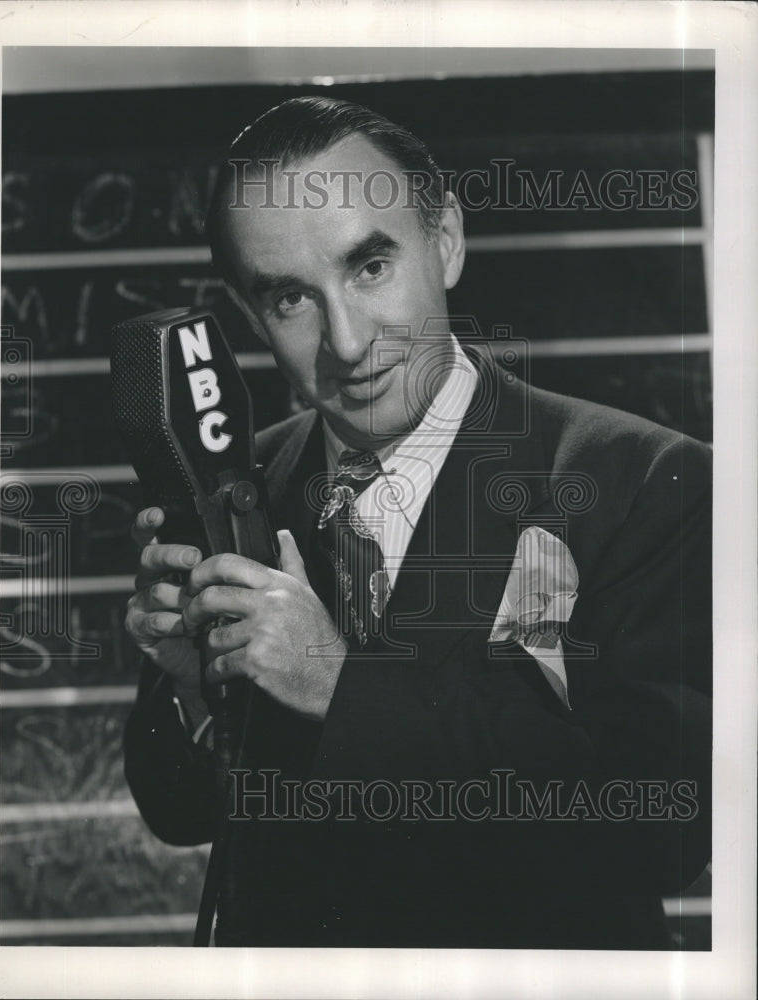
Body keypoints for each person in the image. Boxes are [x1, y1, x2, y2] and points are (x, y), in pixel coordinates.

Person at [122, 97, 711, 949]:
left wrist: (338, 686)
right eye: (291, 298)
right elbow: (179, 816)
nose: (349, 341)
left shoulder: (645, 479)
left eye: (368, 267)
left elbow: (662, 831)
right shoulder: (241, 489)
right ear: (252, 316)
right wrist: (189, 692)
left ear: (445, 242)